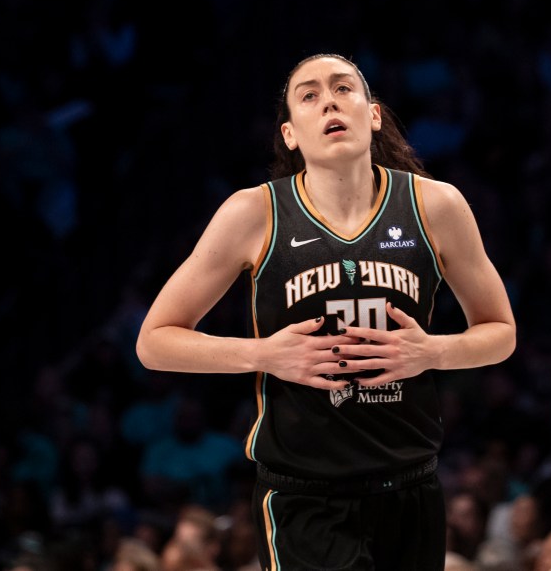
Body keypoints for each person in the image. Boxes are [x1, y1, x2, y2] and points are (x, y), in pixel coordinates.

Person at [136, 52, 517, 571]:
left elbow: (501, 331)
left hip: (411, 487)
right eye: (309, 95)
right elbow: (155, 340)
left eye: (343, 88)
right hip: (304, 497)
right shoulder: (254, 212)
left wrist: (432, 351)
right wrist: (265, 354)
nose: (329, 101)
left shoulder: (436, 206)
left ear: (373, 113)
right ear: (291, 134)